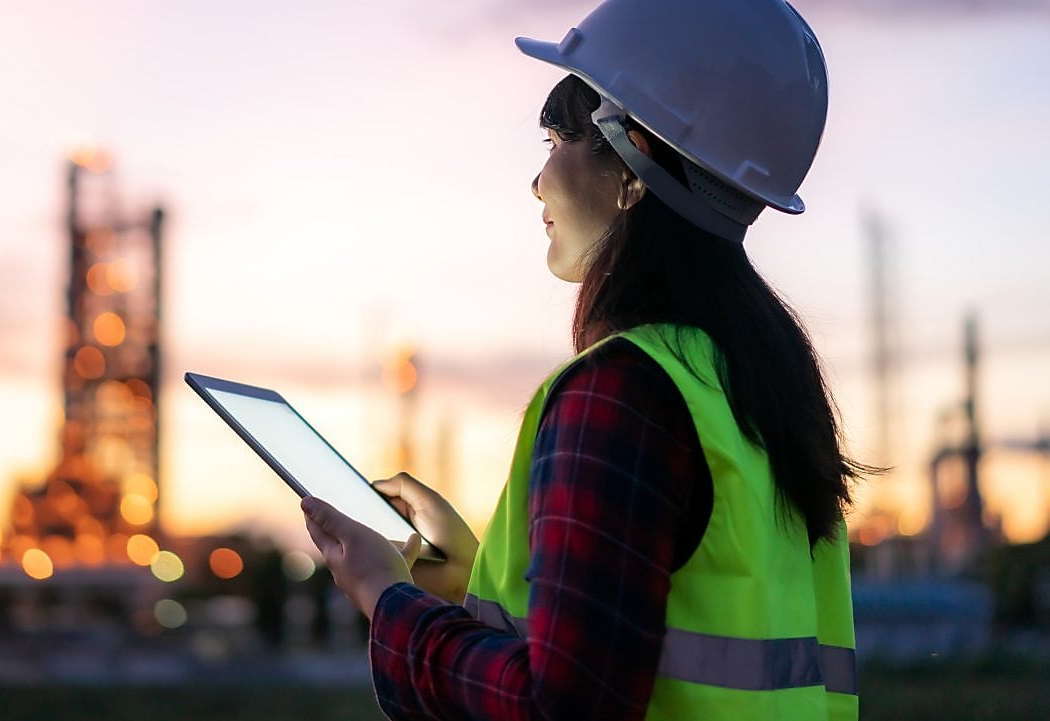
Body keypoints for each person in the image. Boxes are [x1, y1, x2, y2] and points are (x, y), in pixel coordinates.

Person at [299, 0, 868, 719]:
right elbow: (647, 644)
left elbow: (565, 704)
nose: (537, 182)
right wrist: (473, 577)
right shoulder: (751, 385)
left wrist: (388, 597)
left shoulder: (621, 392)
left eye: (554, 140)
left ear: (630, 162)